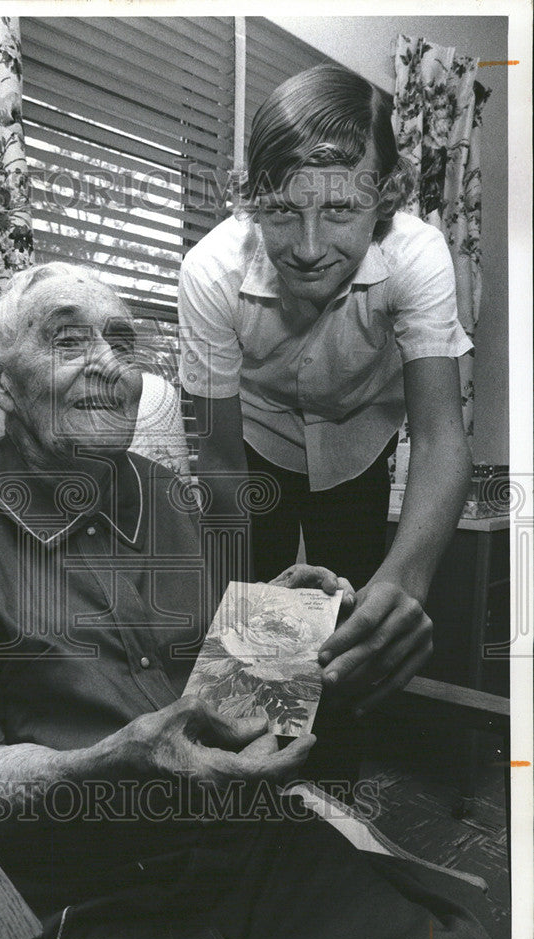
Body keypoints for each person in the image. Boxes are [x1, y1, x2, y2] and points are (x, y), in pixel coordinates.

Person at [0, 263, 499, 939]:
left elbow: (214, 686)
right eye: (69, 341)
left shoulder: (168, 493)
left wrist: (289, 622)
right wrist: (104, 765)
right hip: (81, 880)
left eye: (121, 341)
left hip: (243, 841)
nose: (107, 364)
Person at [178, 65, 473, 721]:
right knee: (252, 663)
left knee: (355, 636)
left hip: (358, 447)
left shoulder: (417, 255)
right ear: (253, 199)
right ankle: (249, 801)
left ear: (384, 198)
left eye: (340, 209)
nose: (309, 249)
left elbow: (438, 438)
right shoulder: (209, 270)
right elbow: (219, 463)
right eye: (283, 211)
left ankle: (335, 778)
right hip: (252, 448)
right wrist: (235, 612)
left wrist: (406, 583)